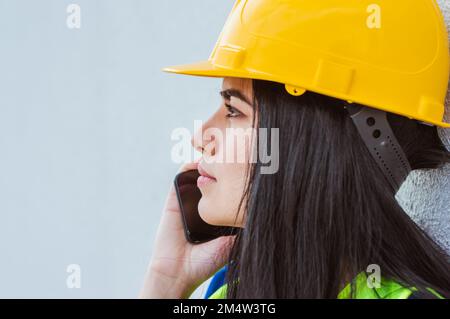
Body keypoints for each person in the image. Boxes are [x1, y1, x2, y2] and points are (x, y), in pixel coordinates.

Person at [140, 0, 450, 299]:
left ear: (316, 141)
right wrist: (165, 281)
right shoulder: (230, 289)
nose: (200, 136)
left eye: (234, 110)